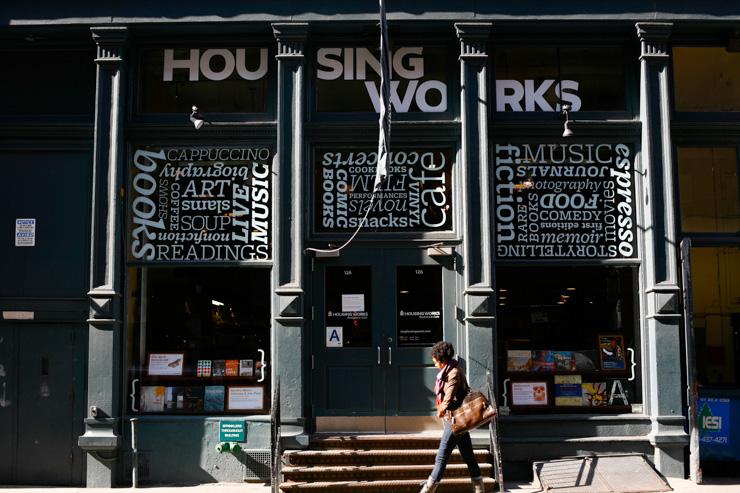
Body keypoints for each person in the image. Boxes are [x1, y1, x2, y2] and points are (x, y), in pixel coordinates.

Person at [419, 341, 485, 493]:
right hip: (459, 421)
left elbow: (448, 398)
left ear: (440, 358)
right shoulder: (448, 371)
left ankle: (428, 489)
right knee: (468, 456)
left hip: (454, 420)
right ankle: (479, 488)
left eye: (434, 359)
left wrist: (442, 409)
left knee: (441, 456)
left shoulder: (453, 372)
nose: (433, 362)